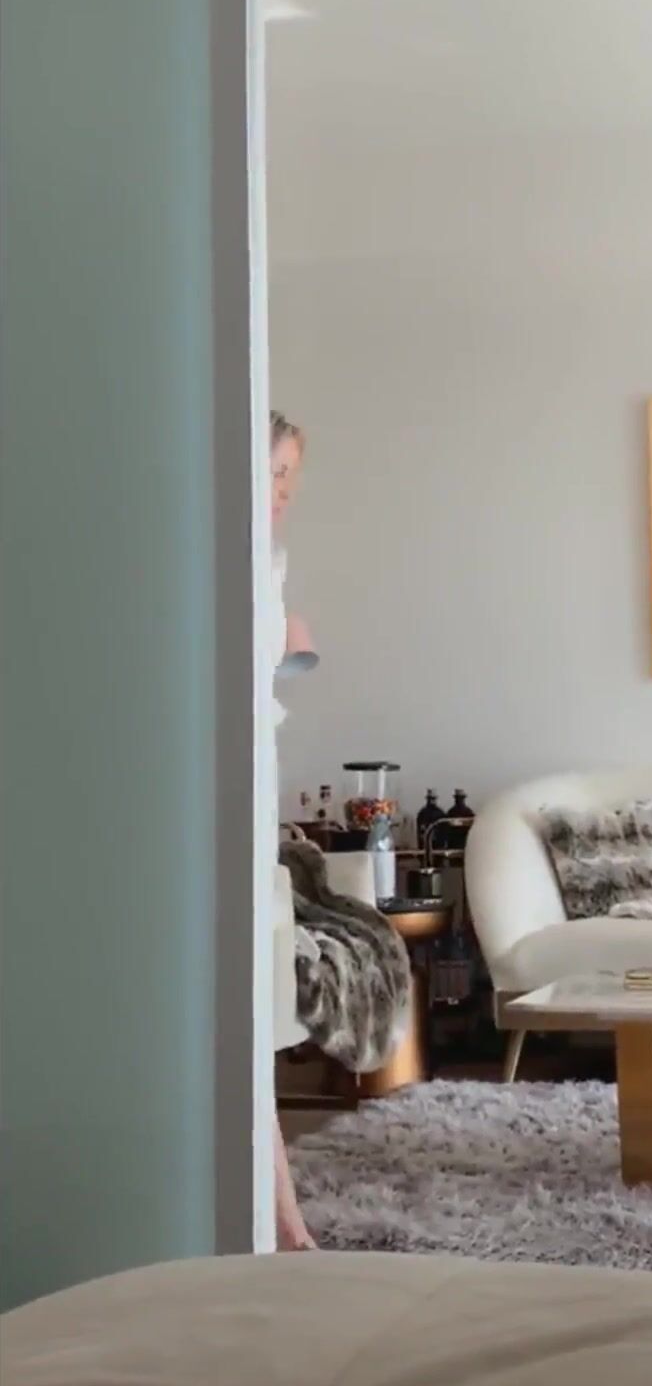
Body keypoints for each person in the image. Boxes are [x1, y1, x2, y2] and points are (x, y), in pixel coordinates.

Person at [269, 410, 318, 1252]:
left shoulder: (267, 562)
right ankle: (287, 1228)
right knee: (249, 1033)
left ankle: (286, 1226)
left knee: (257, 1033)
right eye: (274, 470)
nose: (285, 490)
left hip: (253, 778)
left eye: (291, 478)